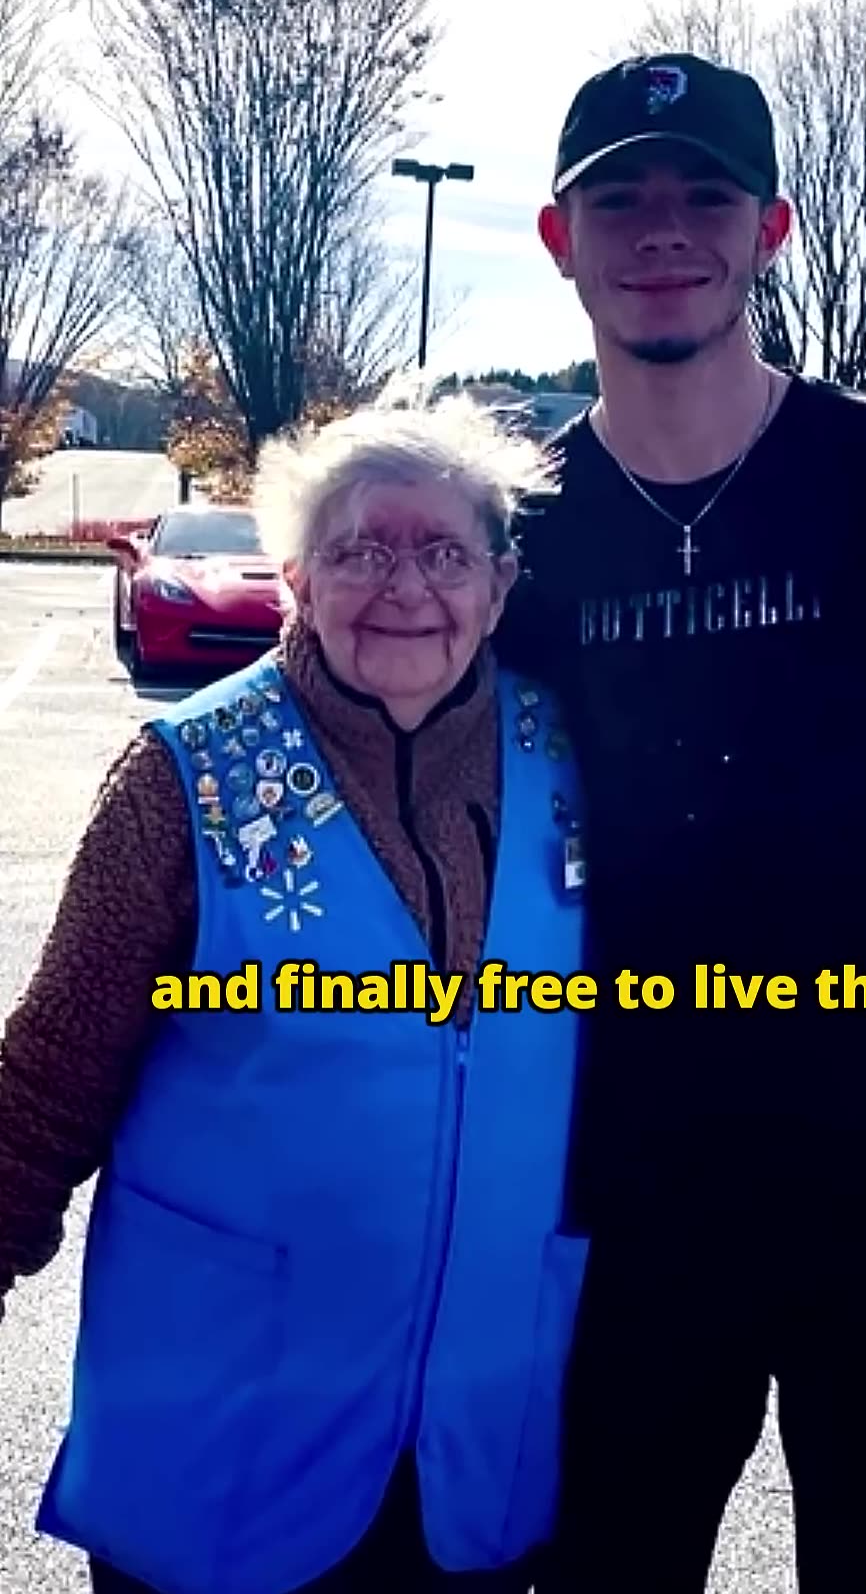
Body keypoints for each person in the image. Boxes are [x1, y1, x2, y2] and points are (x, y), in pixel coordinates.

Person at [494, 52, 866, 1594]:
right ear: (561, 240)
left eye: (707, 196)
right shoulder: (515, 534)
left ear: (774, 229)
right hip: (616, 1178)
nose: (662, 230)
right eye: (620, 198)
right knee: (608, 1561)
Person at [0, 388, 591, 1594]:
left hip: (475, 1443)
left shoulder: (575, 761)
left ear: (501, 585)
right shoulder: (183, 779)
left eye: (443, 552)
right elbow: (50, 1079)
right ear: (296, 579)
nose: (405, 586)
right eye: (360, 548)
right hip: (225, 1421)